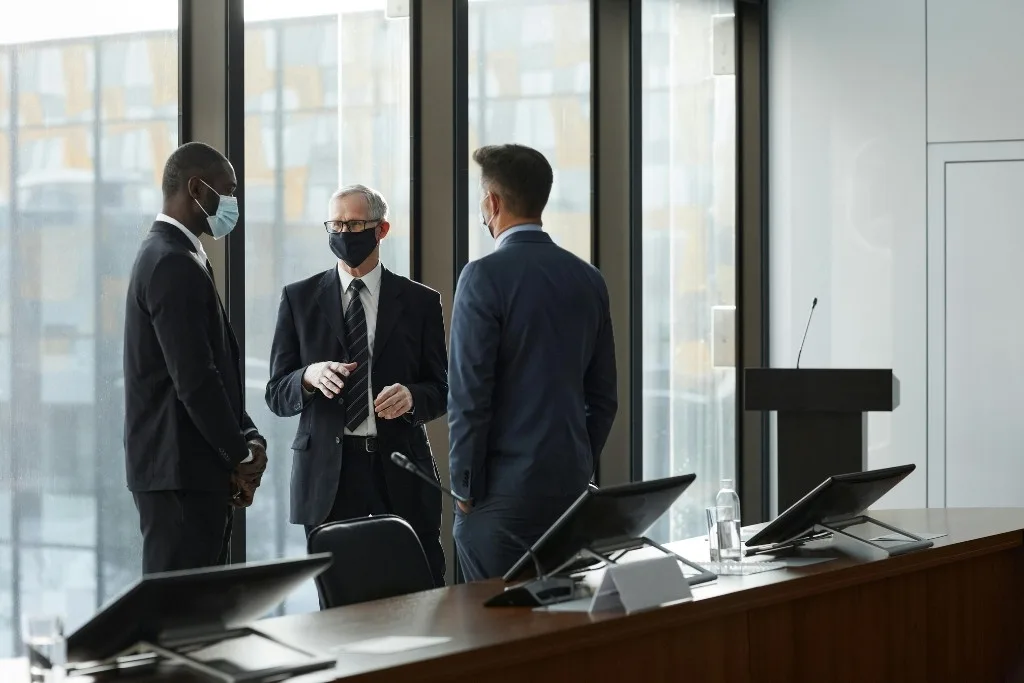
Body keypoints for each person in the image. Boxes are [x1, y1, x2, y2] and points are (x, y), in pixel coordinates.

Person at [448, 143, 618, 581]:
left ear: (493, 202)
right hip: (569, 493)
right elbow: (604, 398)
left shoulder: (482, 276)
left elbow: (469, 396)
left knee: (496, 634)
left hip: (500, 500)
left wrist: (464, 487)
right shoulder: (588, 278)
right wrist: (576, 463)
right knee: (563, 627)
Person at [265, 184, 448, 586]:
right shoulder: (298, 299)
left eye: (354, 224)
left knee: (418, 590)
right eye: (336, 224)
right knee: (340, 597)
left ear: (381, 230)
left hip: (399, 466)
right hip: (329, 475)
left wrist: (413, 397)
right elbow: (276, 392)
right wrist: (308, 377)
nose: (344, 233)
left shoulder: (420, 302)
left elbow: (442, 388)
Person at [124, 141, 268, 574]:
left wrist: (248, 437)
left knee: (196, 615)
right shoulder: (171, 261)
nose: (233, 203)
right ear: (196, 189)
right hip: (181, 478)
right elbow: (195, 380)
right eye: (229, 191)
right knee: (178, 620)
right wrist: (240, 456)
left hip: (187, 474)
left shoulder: (176, 255)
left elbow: (211, 371)